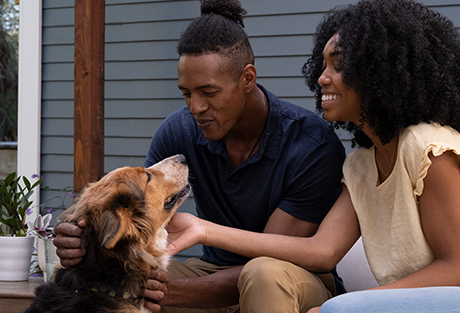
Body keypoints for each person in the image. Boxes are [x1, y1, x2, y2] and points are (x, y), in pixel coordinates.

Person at [165, 0, 460, 312]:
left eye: (338, 65)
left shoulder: (427, 145)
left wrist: (352, 305)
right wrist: (205, 229)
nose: (322, 78)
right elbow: (321, 250)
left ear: (379, 70)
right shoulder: (361, 165)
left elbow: (456, 269)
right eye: (323, 65)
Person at [53, 0, 346, 312]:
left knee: (261, 275)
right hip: (209, 271)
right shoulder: (179, 130)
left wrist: (167, 293)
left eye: (208, 93)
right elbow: (138, 217)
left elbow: (266, 262)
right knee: (116, 285)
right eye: (186, 93)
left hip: (291, 281)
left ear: (247, 79)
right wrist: (80, 237)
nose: (195, 108)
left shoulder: (310, 145)